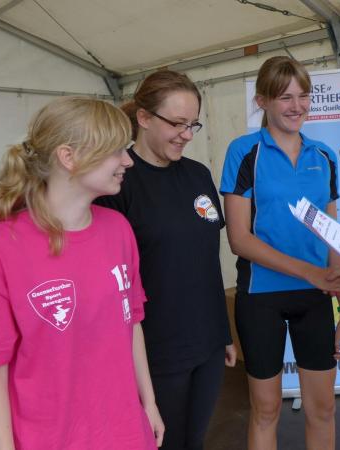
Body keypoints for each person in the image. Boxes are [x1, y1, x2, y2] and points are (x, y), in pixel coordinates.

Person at [0, 97, 164, 450]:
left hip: (127, 432)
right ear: (68, 157)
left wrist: (148, 403)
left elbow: (131, 323)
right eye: (116, 150)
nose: (128, 160)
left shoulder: (118, 229)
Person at [220, 56, 340, 450]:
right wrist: (309, 272)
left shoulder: (324, 156)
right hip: (260, 297)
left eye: (303, 96)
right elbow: (239, 239)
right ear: (262, 101)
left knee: (324, 408)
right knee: (265, 410)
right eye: (284, 97)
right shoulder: (244, 152)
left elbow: (333, 239)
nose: (297, 106)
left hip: (315, 298)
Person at [95, 70, 236, 450]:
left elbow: (206, 260)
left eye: (193, 125)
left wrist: (223, 332)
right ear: (143, 117)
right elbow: (110, 284)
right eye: (177, 123)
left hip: (207, 341)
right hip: (156, 349)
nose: (187, 135)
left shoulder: (198, 175)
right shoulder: (117, 184)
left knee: (194, 440)